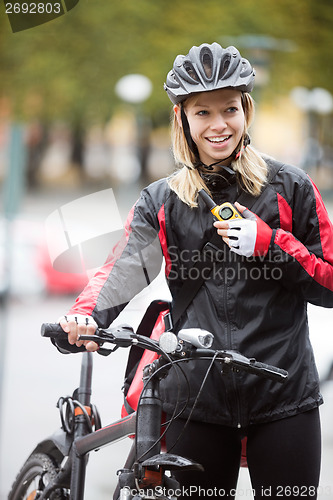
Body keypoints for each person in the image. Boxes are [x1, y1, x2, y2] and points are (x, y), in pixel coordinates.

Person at [58, 42, 333, 498]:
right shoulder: (162, 200)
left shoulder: (290, 186)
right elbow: (124, 269)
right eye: (203, 112)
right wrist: (88, 315)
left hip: (284, 400)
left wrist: (271, 245)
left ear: (246, 111)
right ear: (183, 120)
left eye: (229, 109)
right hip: (196, 404)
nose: (219, 124)